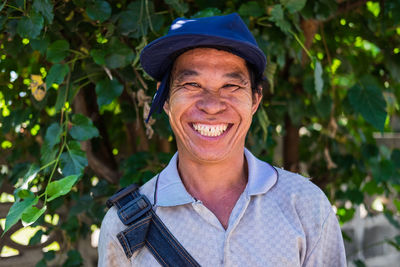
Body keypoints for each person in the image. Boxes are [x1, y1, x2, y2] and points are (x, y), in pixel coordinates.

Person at [98, 13, 346, 266]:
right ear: (165, 100)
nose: (212, 106)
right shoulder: (124, 227)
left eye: (231, 86)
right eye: (192, 84)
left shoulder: (304, 204)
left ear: (255, 101)